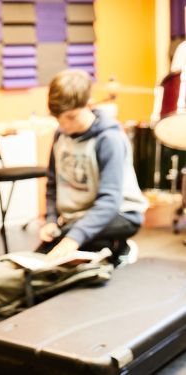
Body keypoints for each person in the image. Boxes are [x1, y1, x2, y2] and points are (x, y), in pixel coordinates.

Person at [38, 69, 149, 265]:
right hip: (79, 217)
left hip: (120, 214)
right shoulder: (60, 134)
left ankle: (119, 247)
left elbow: (109, 200)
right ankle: (105, 246)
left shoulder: (109, 138)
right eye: (59, 118)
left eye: (71, 117)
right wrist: (51, 219)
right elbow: (53, 183)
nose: (64, 125)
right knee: (44, 257)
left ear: (89, 104)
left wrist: (73, 238)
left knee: (69, 243)